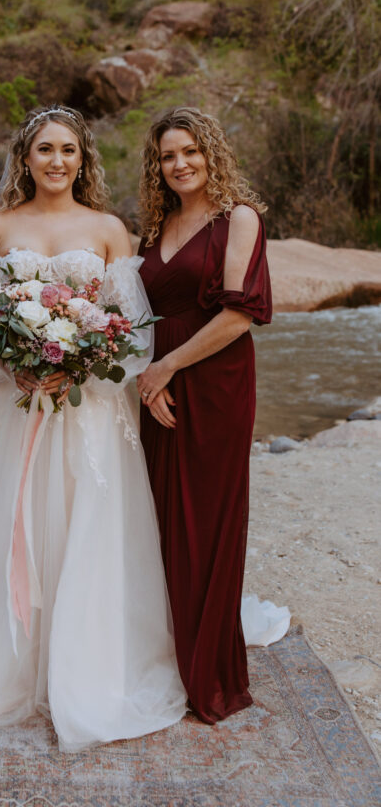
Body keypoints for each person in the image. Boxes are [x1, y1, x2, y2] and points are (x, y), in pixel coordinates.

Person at [0, 105, 187, 752]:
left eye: (68, 150)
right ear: (24, 158)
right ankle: (3, 663)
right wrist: (15, 366)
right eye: (44, 150)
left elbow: (133, 335)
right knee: (10, 520)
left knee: (82, 522)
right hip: (10, 408)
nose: (56, 161)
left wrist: (82, 368)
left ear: (83, 158)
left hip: (87, 410)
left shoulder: (109, 228)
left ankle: (85, 663)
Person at [136, 105, 281, 724]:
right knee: (158, 517)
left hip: (213, 382)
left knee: (208, 519)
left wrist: (167, 367)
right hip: (153, 386)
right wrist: (145, 374)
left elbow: (237, 315)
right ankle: (163, 649)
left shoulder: (238, 218)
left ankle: (211, 671)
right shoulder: (154, 225)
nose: (180, 164)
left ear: (211, 153)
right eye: (168, 155)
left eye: (190, 151)